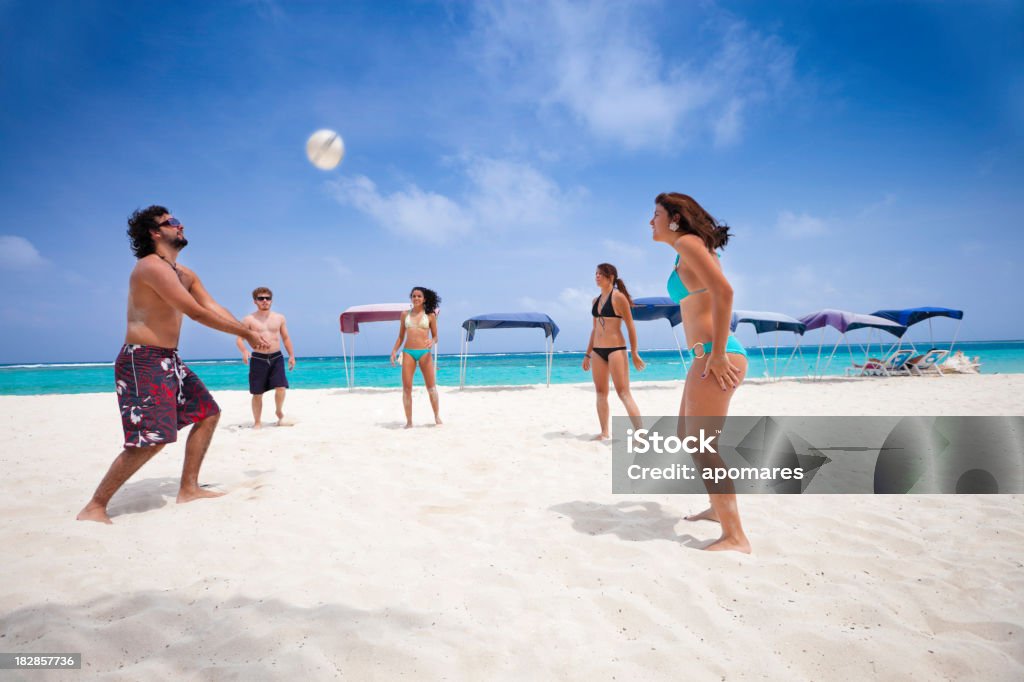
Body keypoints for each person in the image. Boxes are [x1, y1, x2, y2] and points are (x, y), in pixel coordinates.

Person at [76, 206, 272, 524]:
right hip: (141, 360)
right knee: (151, 440)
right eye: (171, 223)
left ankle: (189, 488)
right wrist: (246, 333)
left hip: (168, 359)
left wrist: (245, 329)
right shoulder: (149, 267)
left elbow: (212, 305)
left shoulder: (185, 273)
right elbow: (194, 312)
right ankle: (95, 506)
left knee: (208, 413)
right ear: (155, 233)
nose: (180, 226)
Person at [651, 192, 751, 553]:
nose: (651, 222)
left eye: (656, 214)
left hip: (715, 356)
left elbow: (724, 292)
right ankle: (717, 507)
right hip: (704, 357)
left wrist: (720, 354)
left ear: (675, 217)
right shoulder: (687, 248)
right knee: (686, 435)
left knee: (702, 444)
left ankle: (735, 536)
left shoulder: (690, 243)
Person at [582, 263, 645, 440]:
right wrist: (587, 354)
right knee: (601, 393)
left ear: (611, 277)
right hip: (597, 351)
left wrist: (634, 352)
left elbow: (630, 326)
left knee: (623, 392)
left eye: (600, 274)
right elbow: (594, 329)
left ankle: (640, 434)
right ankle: (604, 432)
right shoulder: (595, 301)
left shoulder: (618, 298)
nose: (597, 277)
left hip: (616, 349)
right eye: (595, 274)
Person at [235, 287, 296, 428]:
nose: (264, 301)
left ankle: (279, 411)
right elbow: (239, 339)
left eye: (267, 298)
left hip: (277, 357)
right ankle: (257, 422)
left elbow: (285, 338)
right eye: (261, 298)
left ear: (271, 300)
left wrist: (291, 355)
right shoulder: (249, 319)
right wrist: (244, 351)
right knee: (257, 393)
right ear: (255, 301)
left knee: (281, 387)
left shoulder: (279, 318)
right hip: (258, 359)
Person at [389, 287, 442, 428]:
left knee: (431, 387)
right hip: (408, 352)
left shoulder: (430, 315)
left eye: (419, 296)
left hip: (424, 352)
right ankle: (409, 421)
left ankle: (437, 416)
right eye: (414, 296)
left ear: (424, 299)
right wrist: (394, 351)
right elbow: (401, 336)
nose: (416, 298)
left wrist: (433, 340)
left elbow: (436, 336)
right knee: (406, 388)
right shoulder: (404, 314)